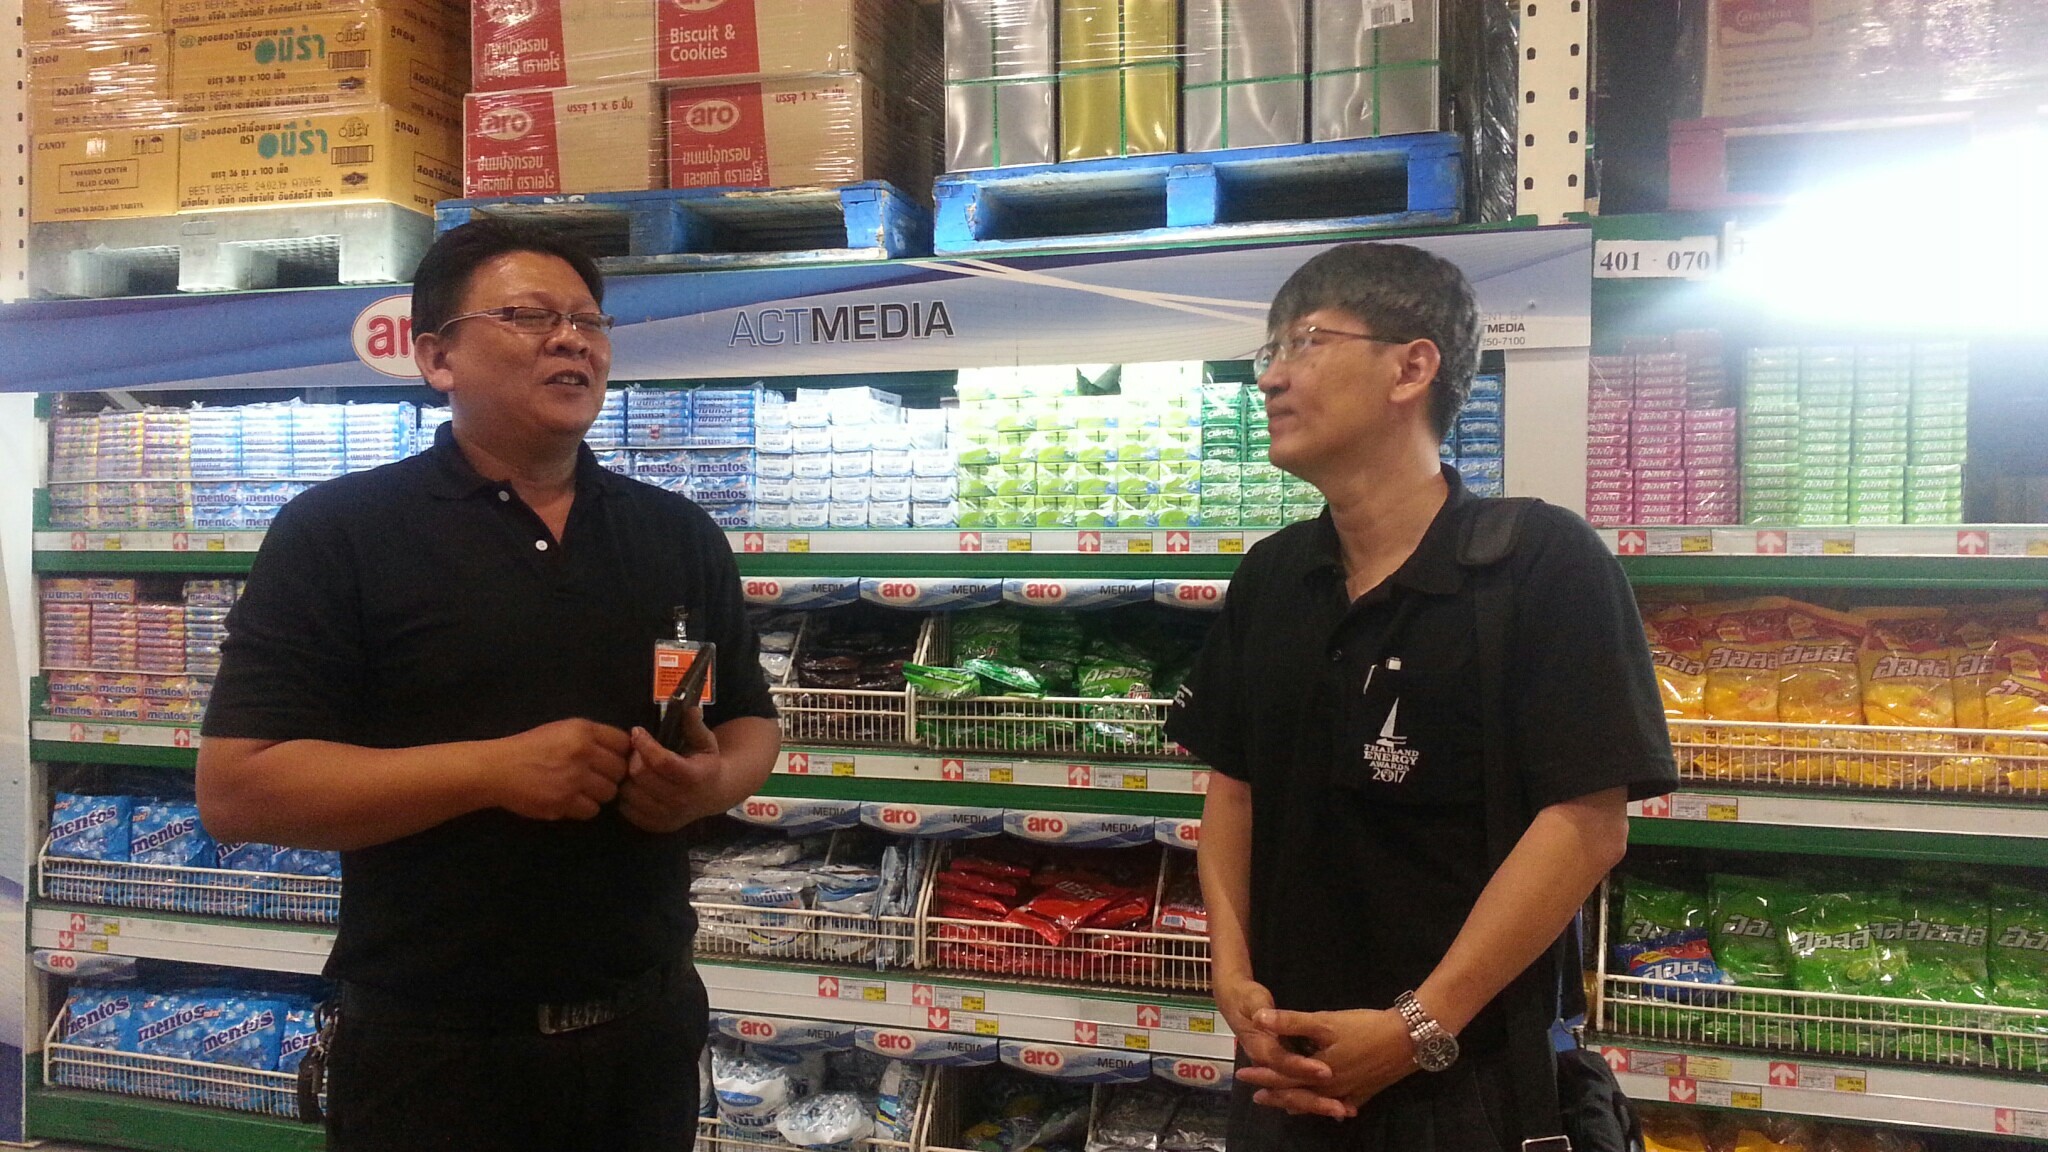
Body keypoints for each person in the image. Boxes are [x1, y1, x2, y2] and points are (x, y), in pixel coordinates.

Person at [195, 218, 782, 1152]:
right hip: (435, 1052)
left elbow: (751, 721)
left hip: (647, 1030)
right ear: (437, 358)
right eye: (528, 316)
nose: (571, 340)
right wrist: (491, 772)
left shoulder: (677, 534)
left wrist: (707, 785)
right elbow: (238, 789)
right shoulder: (339, 533)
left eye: (588, 321)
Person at [1165, 242, 1676, 1151]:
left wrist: (1419, 1028)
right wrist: (1233, 979)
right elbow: (1234, 790)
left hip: (1468, 1088)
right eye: (1268, 353)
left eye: (1304, 342)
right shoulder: (1273, 576)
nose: (1270, 378)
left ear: (1412, 367)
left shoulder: (1541, 563)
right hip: (1283, 1080)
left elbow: (1587, 825)